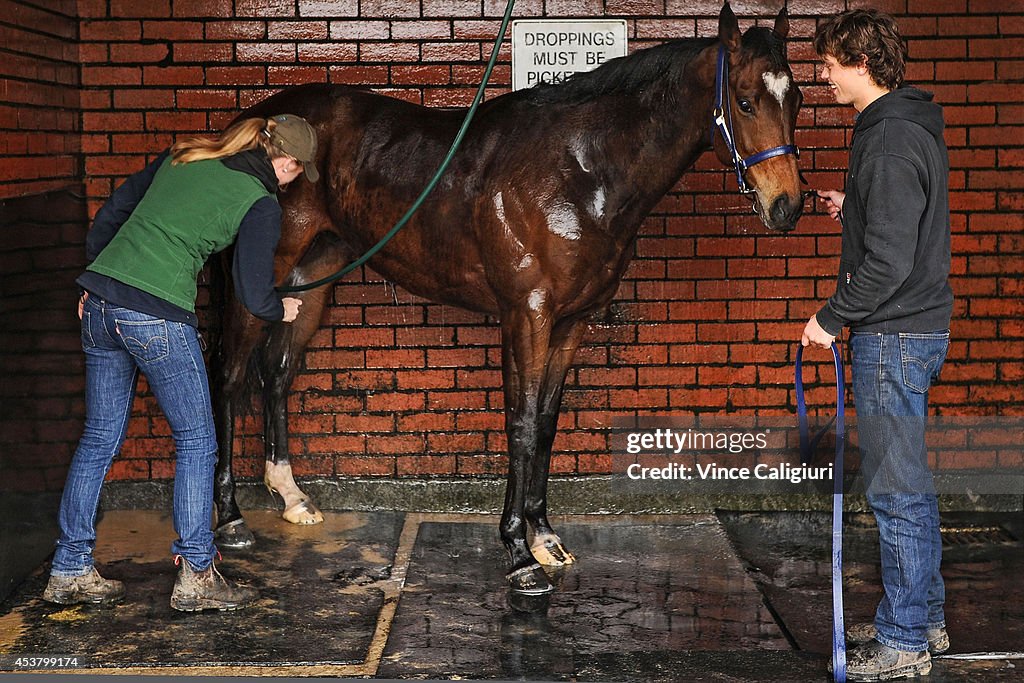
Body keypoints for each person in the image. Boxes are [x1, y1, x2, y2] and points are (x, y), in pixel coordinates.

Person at [43, 113, 320, 612]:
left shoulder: (184, 154)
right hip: (157, 317)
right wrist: (283, 306)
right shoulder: (261, 204)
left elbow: (113, 212)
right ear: (287, 162)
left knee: (100, 437)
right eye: (298, 171)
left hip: (99, 306)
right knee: (196, 441)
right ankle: (196, 574)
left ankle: (69, 568)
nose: (294, 180)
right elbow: (253, 291)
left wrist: (96, 278)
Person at [801, 9, 954, 681]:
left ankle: (902, 643)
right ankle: (923, 617)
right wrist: (853, 205)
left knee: (895, 488)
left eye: (829, 63)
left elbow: (889, 262)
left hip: (892, 335)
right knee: (909, 480)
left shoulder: (888, 140)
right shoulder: (903, 125)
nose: (822, 74)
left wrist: (831, 317)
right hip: (915, 326)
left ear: (861, 64)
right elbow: (897, 225)